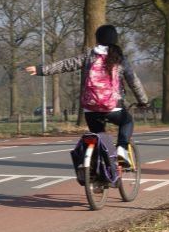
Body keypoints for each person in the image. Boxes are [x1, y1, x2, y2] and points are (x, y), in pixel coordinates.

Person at [25, 24, 148, 164]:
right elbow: (134, 82)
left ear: (97, 39)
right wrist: (143, 100)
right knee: (127, 121)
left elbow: (66, 64)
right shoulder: (120, 59)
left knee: (100, 137)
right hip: (113, 108)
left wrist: (41, 70)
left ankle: (103, 165)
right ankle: (122, 149)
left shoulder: (89, 56)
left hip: (90, 108)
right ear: (115, 39)